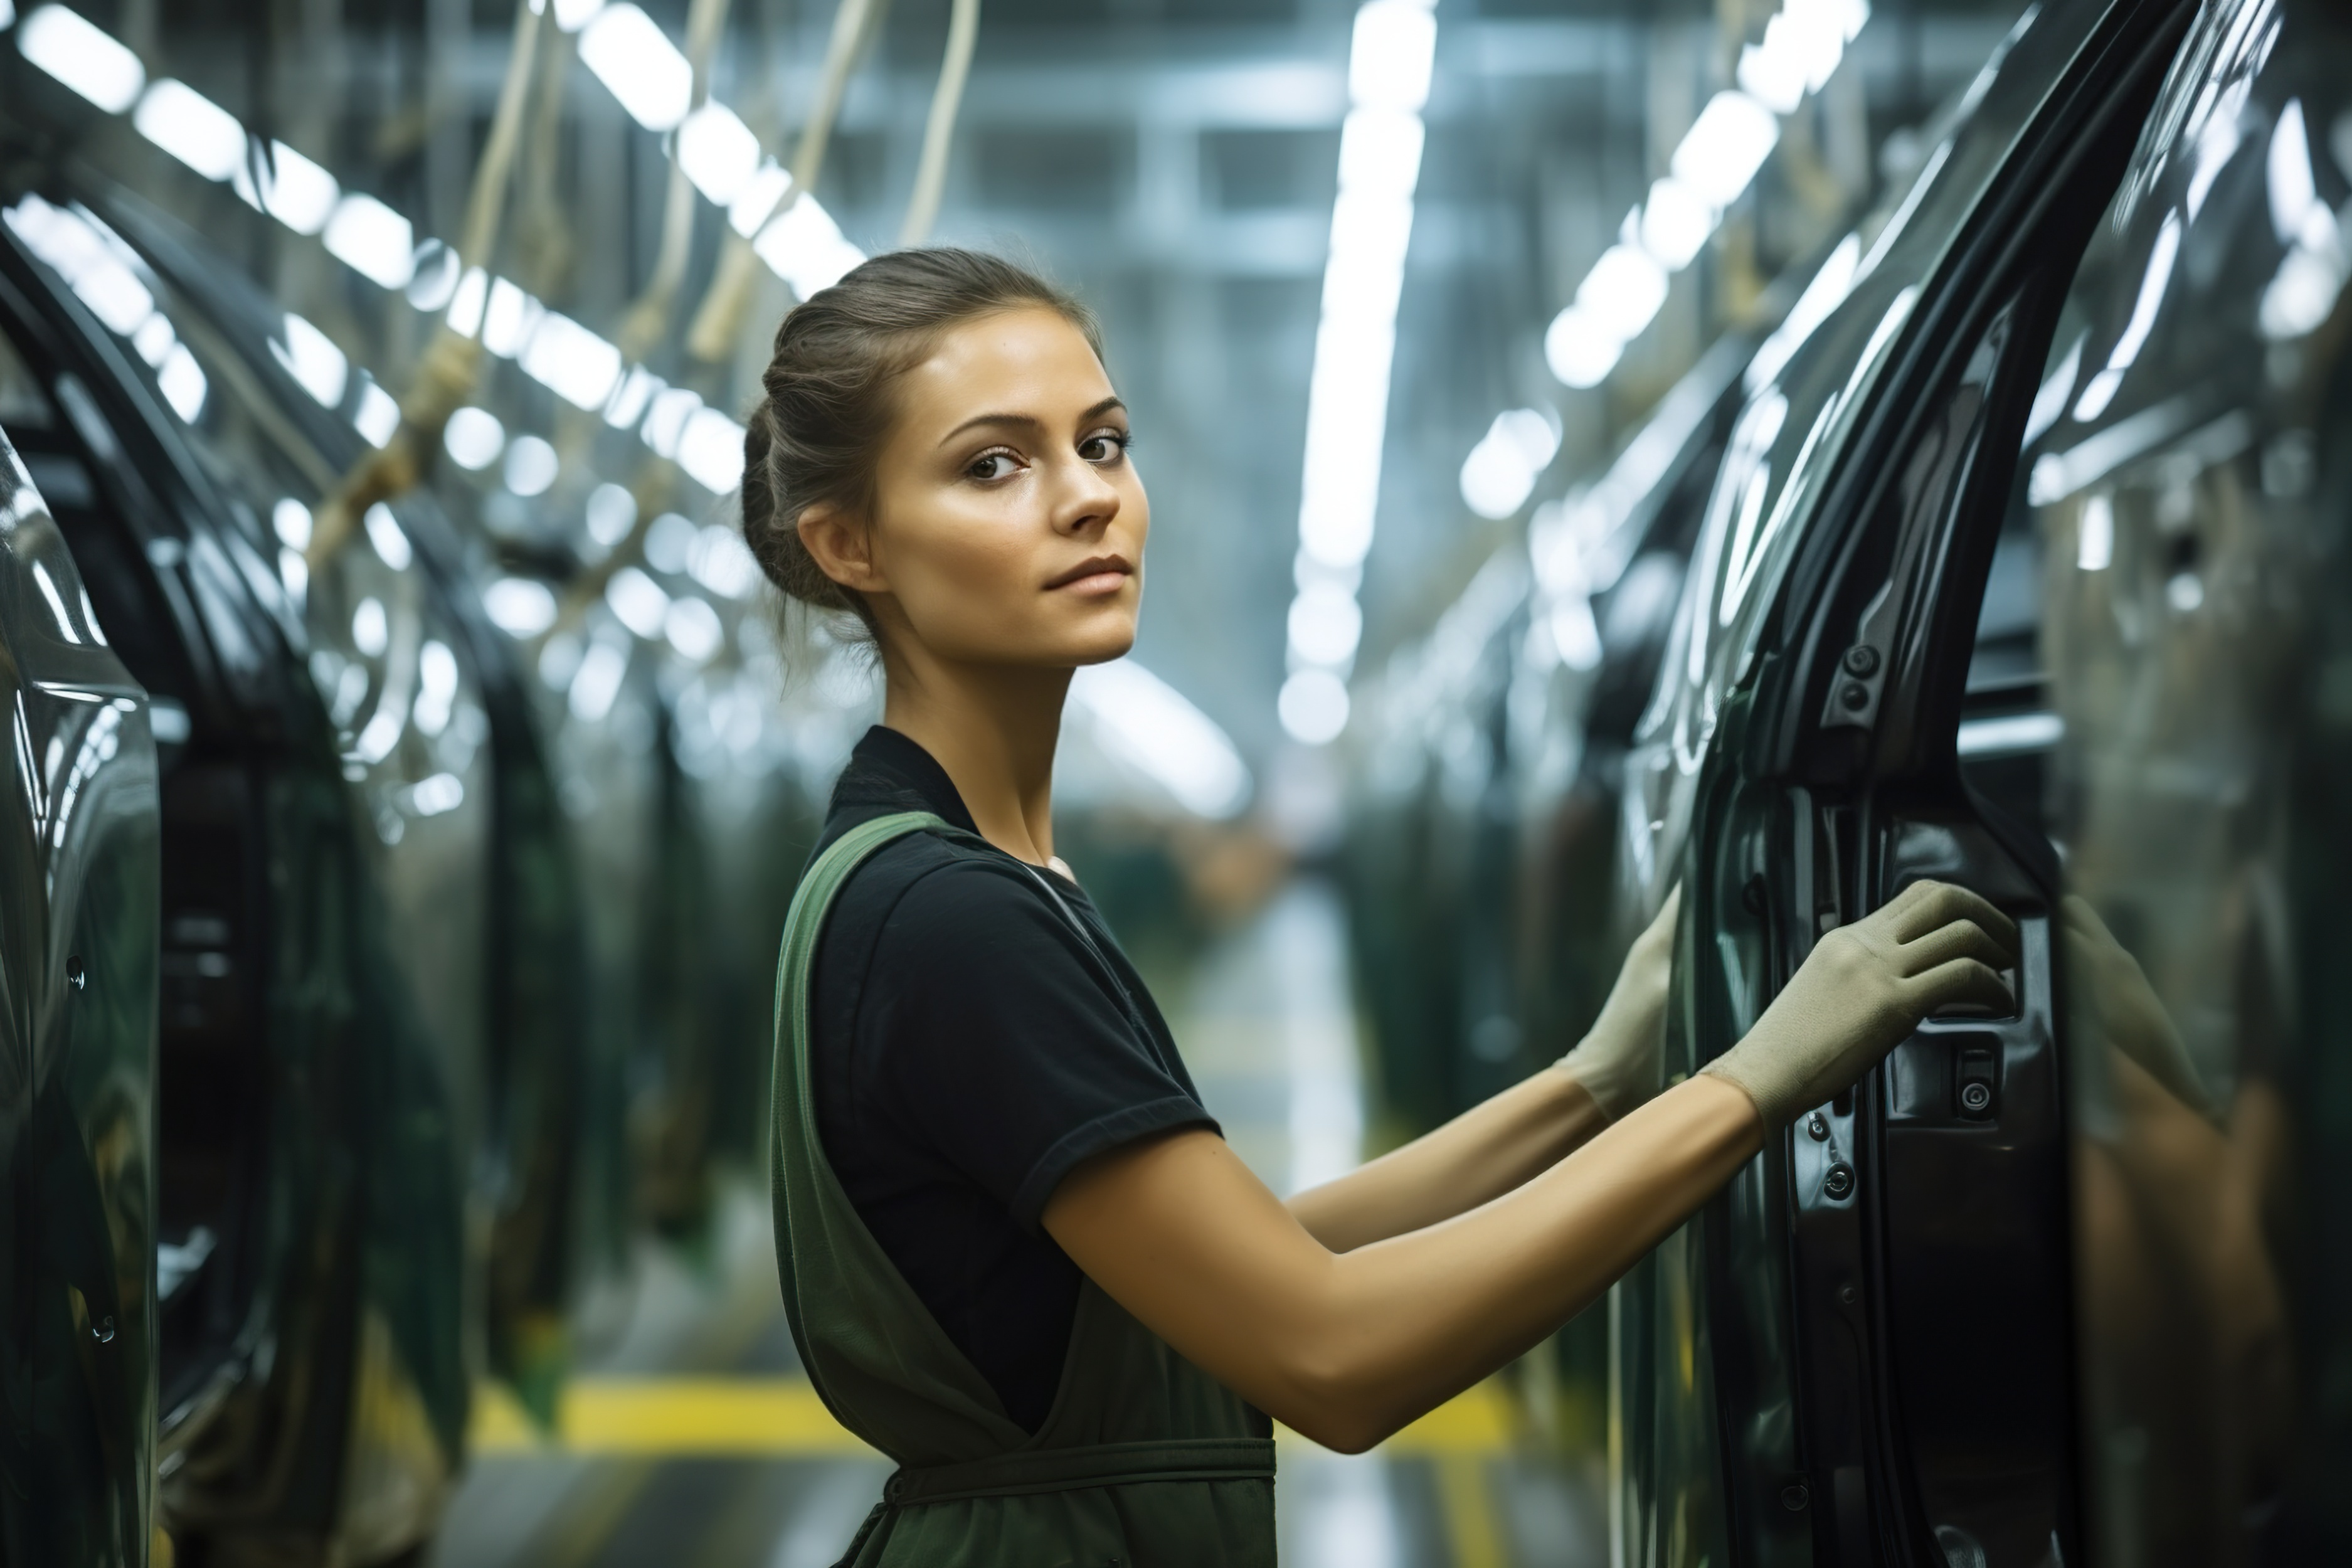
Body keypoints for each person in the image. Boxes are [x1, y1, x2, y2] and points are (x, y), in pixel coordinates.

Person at [741, 248, 2018, 1567]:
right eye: (993, 464)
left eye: (1103, 443)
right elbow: (1333, 1349)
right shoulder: (954, 922)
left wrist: (1597, 1078)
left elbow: (1242, 1264)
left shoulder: (973, 875)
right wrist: (1758, 1079)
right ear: (850, 543)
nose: (1088, 499)